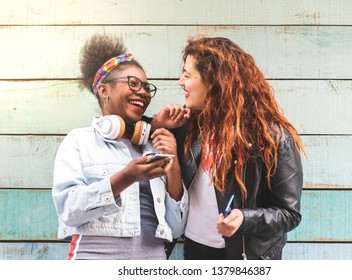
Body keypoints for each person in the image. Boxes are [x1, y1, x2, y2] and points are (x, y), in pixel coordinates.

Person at [52, 34, 188, 260]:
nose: (143, 92)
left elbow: (176, 228)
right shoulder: (79, 141)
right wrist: (126, 177)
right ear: (104, 91)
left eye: (146, 87)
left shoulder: (155, 146)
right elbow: (68, 211)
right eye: (133, 83)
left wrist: (173, 166)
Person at [168, 36, 305, 260]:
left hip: (244, 256)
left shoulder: (273, 138)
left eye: (187, 74)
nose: (180, 82)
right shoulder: (188, 126)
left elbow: (288, 213)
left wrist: (244, 218)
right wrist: (160, 124)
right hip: (194, 250)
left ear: (214, 81)